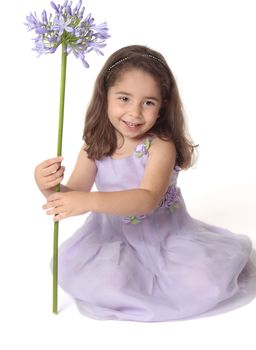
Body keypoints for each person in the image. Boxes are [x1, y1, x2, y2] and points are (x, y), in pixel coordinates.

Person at [34, 45, 256, 322]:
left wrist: (87, 201)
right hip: (111, 238)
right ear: (105, 97)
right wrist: (48, 186)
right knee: (105, 282)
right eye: (124, 98)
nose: (135, 113)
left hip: (163, 237)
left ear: (162, 107)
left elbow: (147, 197)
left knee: (202, 282)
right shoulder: (95, 146)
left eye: (148, 102)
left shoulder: (160, 146)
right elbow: (74, 197)